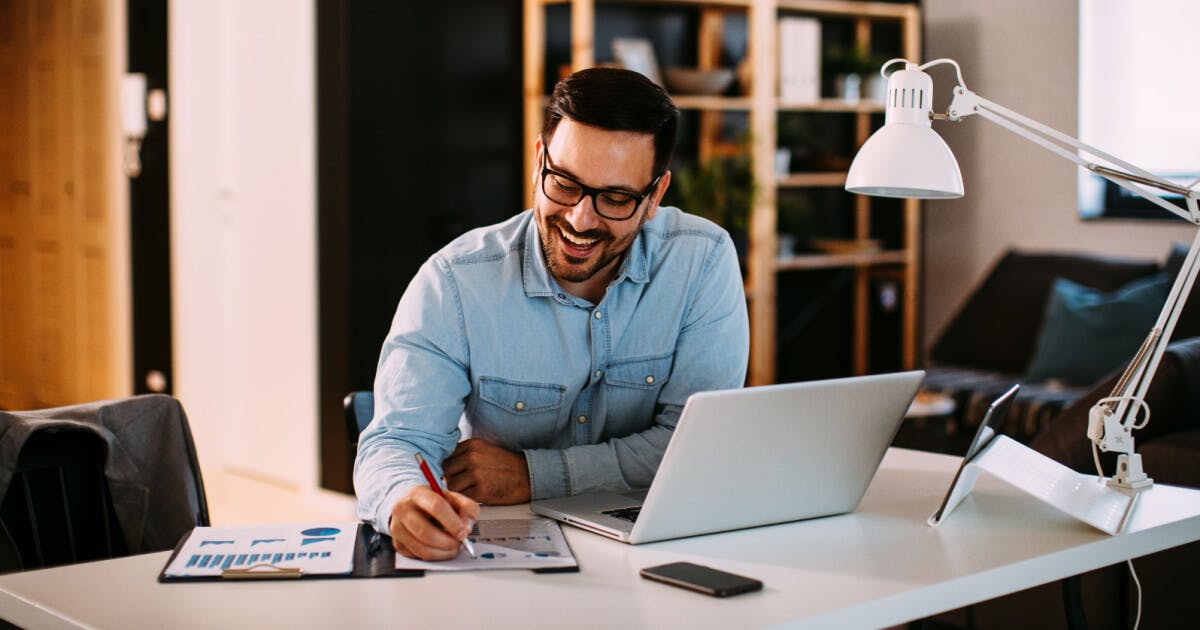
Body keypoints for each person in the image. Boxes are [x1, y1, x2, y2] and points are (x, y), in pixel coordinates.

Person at [354, 67, 749, 561]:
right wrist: (402, 500)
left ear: (655, 196)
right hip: (502, 559)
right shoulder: (454, 282)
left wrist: (532, 475)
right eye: (564, 183)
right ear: (539, 159)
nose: (581, 219)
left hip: (656, 550)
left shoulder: (702, 261)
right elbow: (396, 442)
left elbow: (691, 445)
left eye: (616, 198)